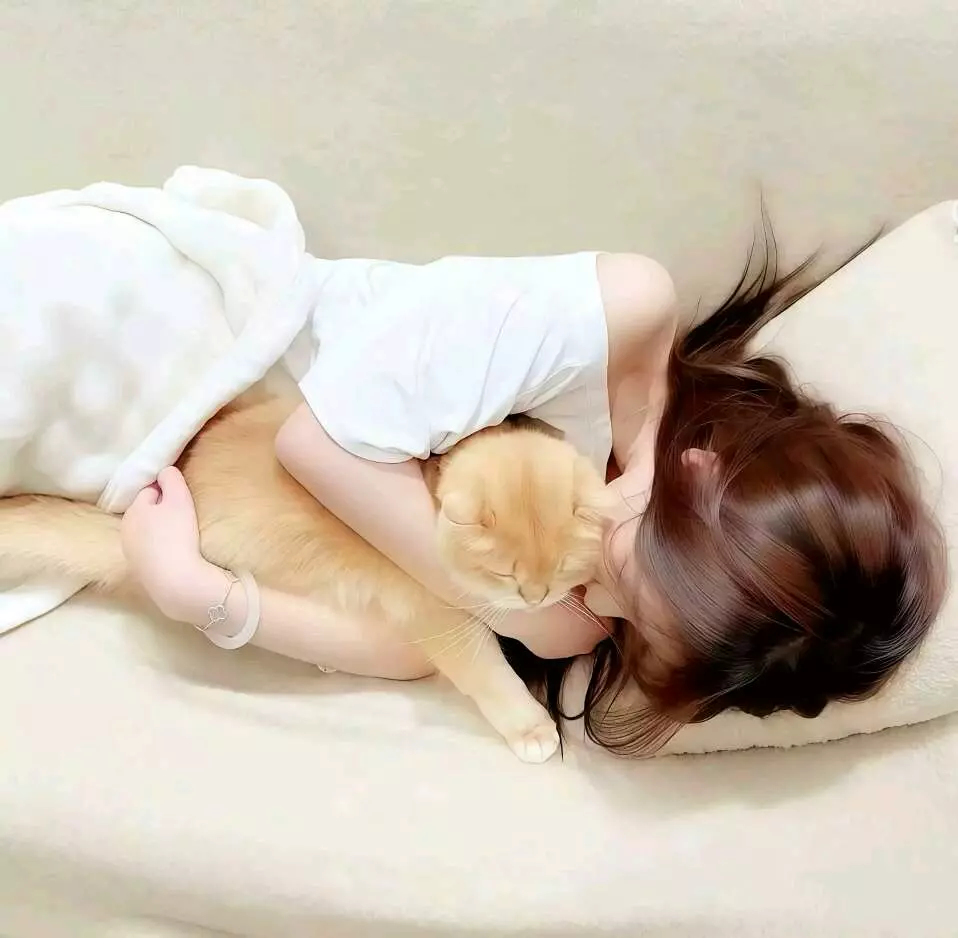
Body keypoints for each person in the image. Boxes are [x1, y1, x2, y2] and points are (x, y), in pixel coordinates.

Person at [121, 225, 947, 755]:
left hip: (166, 459)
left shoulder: (587, 561)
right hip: (176, 330)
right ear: (699, 471)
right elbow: (317, 443)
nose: (600, 609)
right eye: (628, 587)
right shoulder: (619, 314)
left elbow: (413, 643)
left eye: (628, 628)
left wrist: (205, 599)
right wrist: (519, 613)